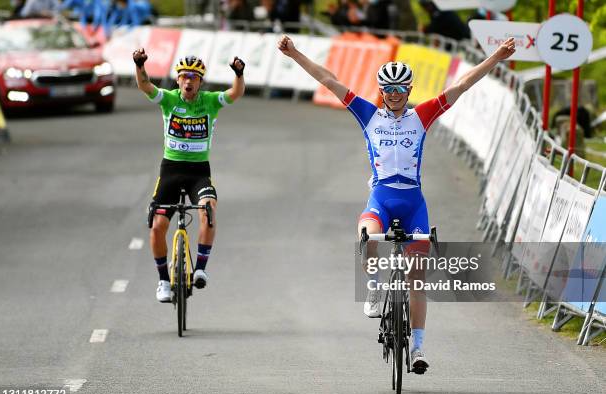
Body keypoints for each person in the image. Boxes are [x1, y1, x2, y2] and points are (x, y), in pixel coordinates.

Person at [277, 35, 516, 373]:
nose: (393, 94)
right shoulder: (368, 115)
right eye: (387, 89)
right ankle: (374, 289)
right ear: (381, 91)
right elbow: (328, 80)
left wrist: (496, 57)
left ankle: (417, 348)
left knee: (416, 278)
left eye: (399, 89)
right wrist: (294, 53)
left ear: (408, 90)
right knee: (365, 234)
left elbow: (462, 84)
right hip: (382, 200)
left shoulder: (422, 116)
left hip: (413, 204)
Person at [132, 49, 246, 302]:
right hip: (170, 171)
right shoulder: (169, 99)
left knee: (209, 211)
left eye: (193, 77)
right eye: (184, 76)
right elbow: (144, 85)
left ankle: (201, 270)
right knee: (157, 225)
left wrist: (238, 74)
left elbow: (235, 93)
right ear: (178, 80)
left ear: (200, 82)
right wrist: (139, 64)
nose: (188, 81)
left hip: (198, 172)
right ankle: (163, 280)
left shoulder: (210, 101)